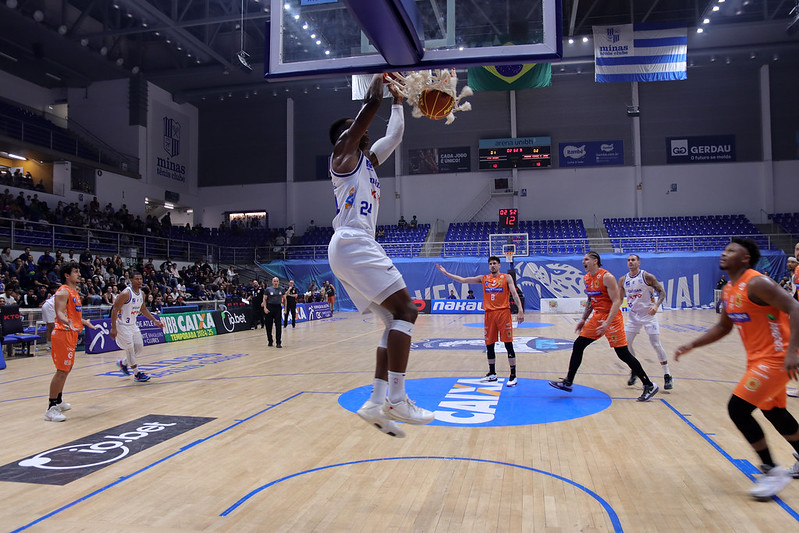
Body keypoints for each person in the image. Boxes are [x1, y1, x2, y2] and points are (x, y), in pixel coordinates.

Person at [328, 72, 434, 438]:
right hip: (352, 241)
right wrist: (380, 77)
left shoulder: (368, 163)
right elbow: (368, 109)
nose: (365, 134)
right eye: (356, 131)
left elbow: (395, 135)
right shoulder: (342, 157)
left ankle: (375, 400)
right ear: (345, 137)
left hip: (353, 246)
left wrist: (399, 100)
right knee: (407, 310)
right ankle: (398, 397)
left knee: (394, 322)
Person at [675, 238, 799, 500]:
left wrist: (791, 352)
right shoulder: (731, 290)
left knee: (738, 408)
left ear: (745, 258)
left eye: (731, 250)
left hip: (776, 359)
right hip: (758, 360)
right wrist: (692, 344)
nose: (724, 252)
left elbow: (794, 307)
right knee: (774, 412)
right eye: (725, 248)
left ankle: (772, 471)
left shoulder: (757, 282)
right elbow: (723, 327)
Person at [548, 251, 659, 401]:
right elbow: (590, 300)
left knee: (622, 353)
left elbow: (617, 301)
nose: (583, 262)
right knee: (579, 344)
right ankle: (568, 381)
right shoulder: (586, 278)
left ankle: (648, 384)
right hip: (597, 316)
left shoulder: (607, 277)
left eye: (586, 259)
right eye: (583, 259)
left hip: (612, 318)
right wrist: (583, 319)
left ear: (595, 261)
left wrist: (607, 322)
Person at [438, 256, 525, 386]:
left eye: (495, 263)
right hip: (489, 315)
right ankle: (492, 373)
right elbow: (463, 280)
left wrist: (520, 310)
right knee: (489, 344)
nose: (493, 265)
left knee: (508, 344)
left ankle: (513, 375)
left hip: (503, 313)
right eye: (490, 264)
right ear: (488, 266)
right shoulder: (483, 278)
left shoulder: (506, 277)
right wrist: (446, 273)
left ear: (499, 265)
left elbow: (514, 293)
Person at [44, 262, 100, 422]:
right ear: (67, 275)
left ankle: (59, 400)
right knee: (61, 370)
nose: (79, 274)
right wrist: (67, 322)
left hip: (71, 333)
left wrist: (84, 322)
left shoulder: (74, 292)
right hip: (62, 333)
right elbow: (59, 313)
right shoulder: (63, 291)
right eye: (75, 271)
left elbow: (73, 316)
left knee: (67, 369)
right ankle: (50, 408)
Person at [619, 254, 673, 390]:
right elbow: (618, 300)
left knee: (656, 344)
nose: (630, 262)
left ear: (639, 262)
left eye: (633, 260)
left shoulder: (647, 276)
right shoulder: (623, 280)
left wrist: (656, 306)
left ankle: (667, 374)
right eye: (628, 260)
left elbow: (662, 292)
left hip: (649, 315)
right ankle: (634, 370)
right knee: (625, 344)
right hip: (633, 316)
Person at [110, 271, 165, 382]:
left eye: (141, 279)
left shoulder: (142, 294)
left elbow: (143, 309)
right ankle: (137, 374)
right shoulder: (126, 293)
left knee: (139, 347)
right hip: (122, 325)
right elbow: (114, 309)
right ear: (131, 280)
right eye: (137, 279)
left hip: (133, 325)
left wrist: (155, 320)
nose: (140, 281)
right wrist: (113, 328)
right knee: (130, 349)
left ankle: (123, 363)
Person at [262, 276, 285, 347]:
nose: (276, 283)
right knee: (268, 325)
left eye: (277, 281)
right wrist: (265, 308)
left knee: (278, 325)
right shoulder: (268, 289)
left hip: (278, 308)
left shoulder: (282, 289)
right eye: (274, 281)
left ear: (278, 282)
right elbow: (264, 299)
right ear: (272, 282)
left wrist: (285, 308)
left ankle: (278, 342)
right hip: (270, 307)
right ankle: (270, 340)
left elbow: (285, 299)